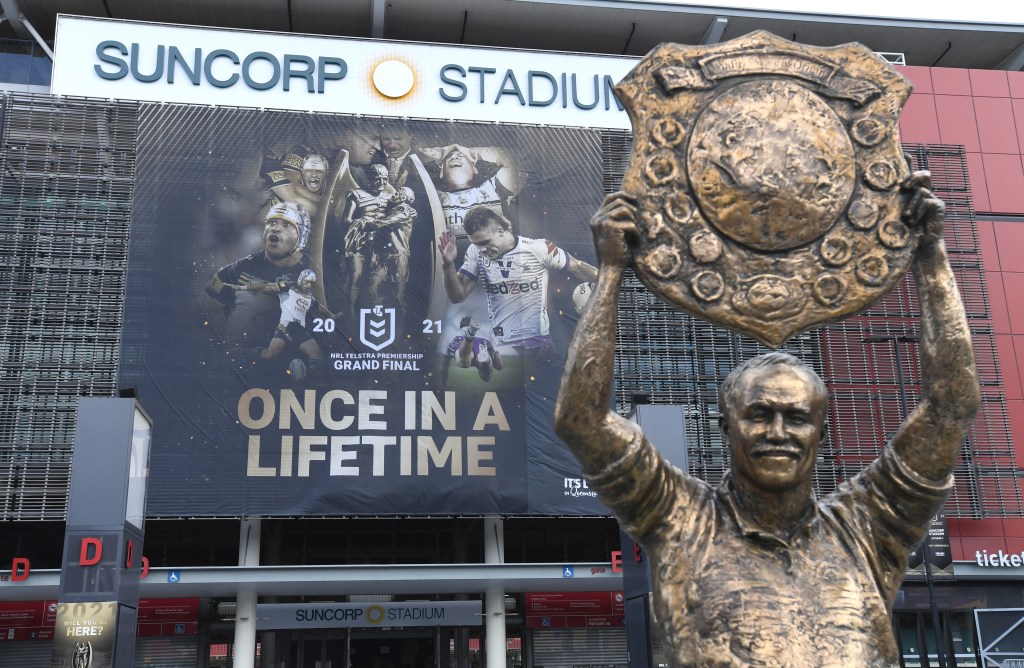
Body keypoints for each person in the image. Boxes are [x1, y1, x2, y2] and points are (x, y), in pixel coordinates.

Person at [553, 176, 981, 667]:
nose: (778, 433)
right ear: (725, 426)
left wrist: (932, 257)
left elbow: (952, 405)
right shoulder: (680, 519)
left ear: (820, 433)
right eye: (760, 415)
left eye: (796, 418)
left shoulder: (869, 527)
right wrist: (610, 271)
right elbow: (580, 420)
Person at [438, 206, 596, 362]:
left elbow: (577, 266)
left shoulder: (538, 248)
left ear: (500, 231)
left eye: (485, 242)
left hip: (538, 342)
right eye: (476, 243)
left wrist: (608, 281)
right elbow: (457, 296)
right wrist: (448, 264)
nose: (482, 249)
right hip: (503, 344)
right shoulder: (474, 252)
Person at [204, 201, 312, 345]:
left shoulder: (316, 273)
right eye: (272, 223)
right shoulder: (235, 271)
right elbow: (201, 313)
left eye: (286, 225)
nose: (276, 229)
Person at [341, 164, 418, 312]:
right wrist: (362, 223)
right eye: (377, 179)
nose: (381, 184)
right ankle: (348, 315)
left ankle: (373, 316)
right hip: (360, 242)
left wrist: (412, 211)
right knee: (355, 276)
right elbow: (346, 220)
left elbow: (404, 209)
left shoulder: (390, 196)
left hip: (382, 245)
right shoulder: (356, 194)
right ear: (369, 178)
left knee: (376, 282)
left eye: (384, 180)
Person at [224, 268, 330, 365]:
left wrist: (333, 316)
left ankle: (307, 378)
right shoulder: (288, 286)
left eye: (311, 283)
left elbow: (319, 307)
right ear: (301, 279)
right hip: (286, 326)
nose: (308, 285)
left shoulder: (309, 296)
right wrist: (241, 287)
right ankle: (243, 352)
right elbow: (265, 287)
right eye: (307, 282)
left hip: (300, 329)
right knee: (270, 355)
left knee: (316, 354)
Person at [439, 316, 503, 386]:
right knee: (487, 377)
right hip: (482, 341)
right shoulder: (486, 335)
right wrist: (494, 359)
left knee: (464, 363)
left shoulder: (453, 334)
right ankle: (486, 361)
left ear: (461, 326)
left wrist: (443, 381)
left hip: (460, 342)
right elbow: (497, 361)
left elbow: (444, 365)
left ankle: (470, 335)